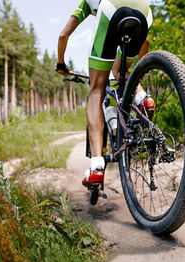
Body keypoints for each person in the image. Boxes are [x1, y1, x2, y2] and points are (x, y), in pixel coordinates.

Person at [55, 0, 155, 188]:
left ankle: (96, 166)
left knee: (96, 90)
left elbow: (63, 35)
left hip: (110, 10)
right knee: (119, 71)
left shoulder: (87, 3)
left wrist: (61, 63)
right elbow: (146, 43)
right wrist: (140, 68)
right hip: (144, 10)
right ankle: (142, 96)